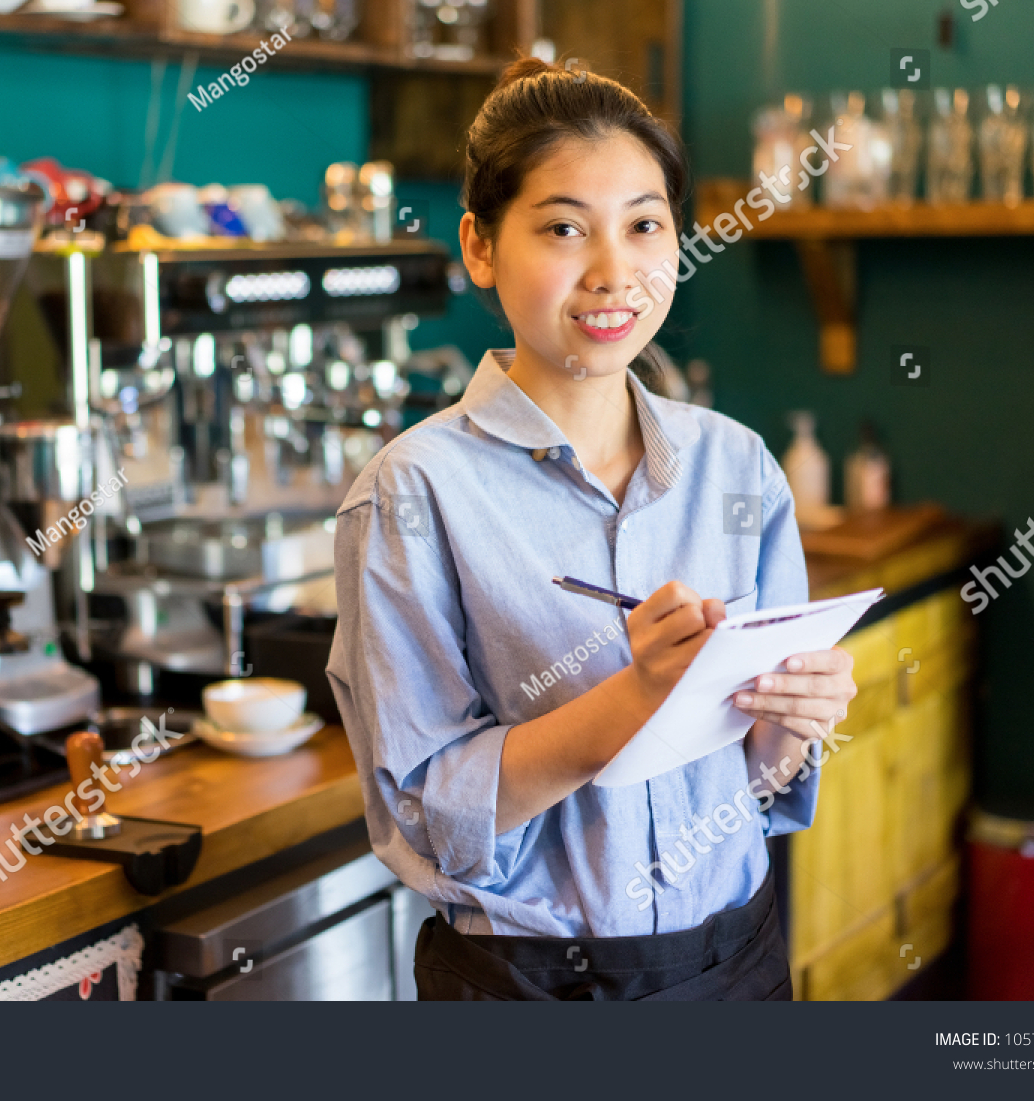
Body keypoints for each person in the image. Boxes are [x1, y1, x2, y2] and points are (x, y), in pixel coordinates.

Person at [326, 57, 857, 1000]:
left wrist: (795, 720)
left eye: (645, 224)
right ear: (480, 248)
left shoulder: (738, 470)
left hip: (737, 959)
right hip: (527, 984)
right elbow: (433, 812)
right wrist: (637, 693)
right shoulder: (411, 494)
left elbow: (759, 782)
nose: (615, 271)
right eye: (565, 228)